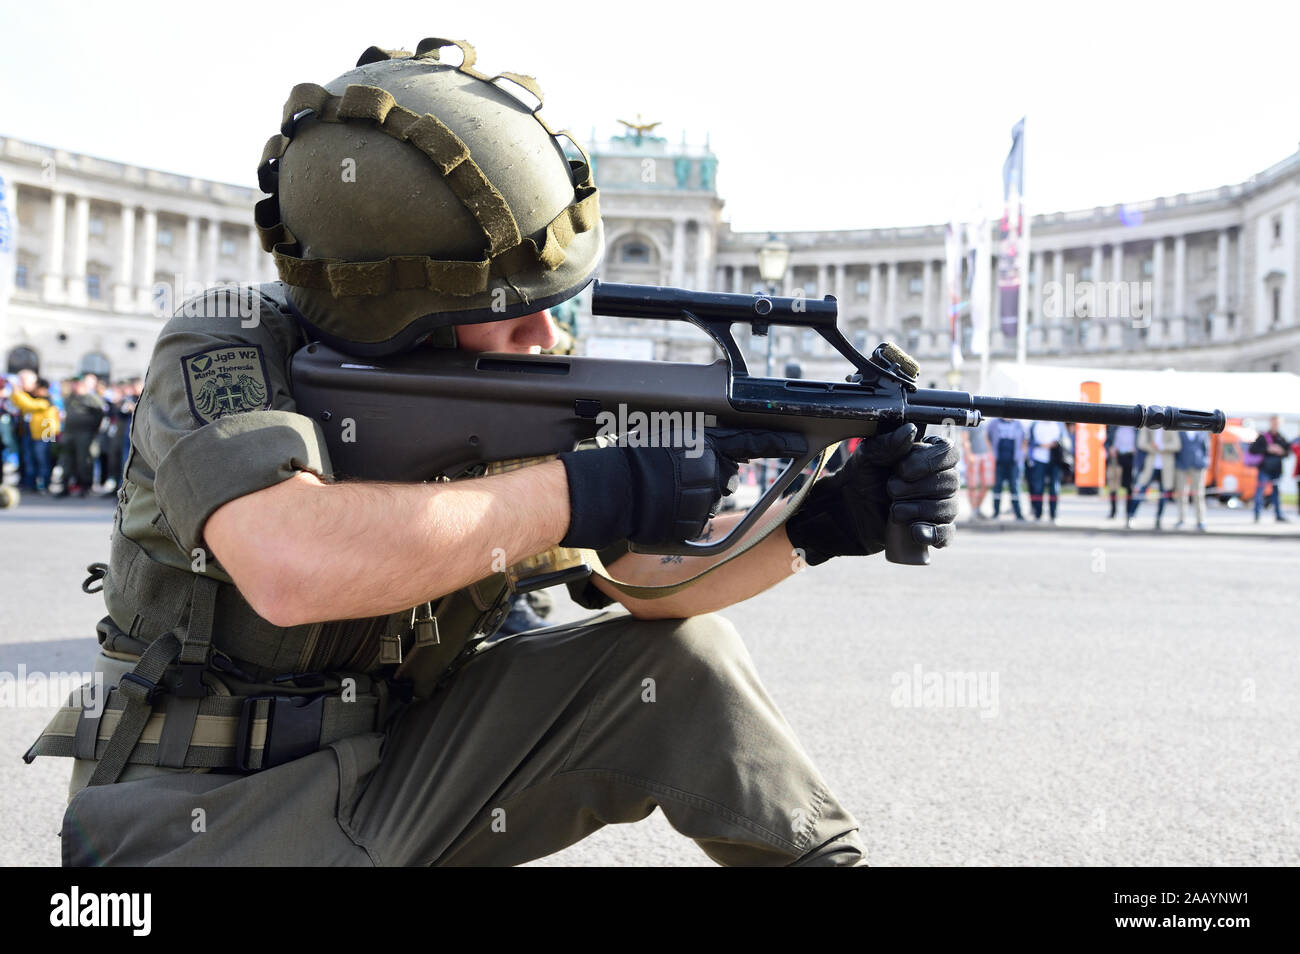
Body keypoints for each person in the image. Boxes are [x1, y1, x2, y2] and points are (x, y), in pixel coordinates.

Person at [27, 37, 959, 867]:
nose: (548, 336)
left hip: (393, 775)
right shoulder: (227, 340)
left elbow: (642, 583)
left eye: (552, 305)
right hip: (197, 821)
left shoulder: (511, 405)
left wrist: (821, 522)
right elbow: (288, 560)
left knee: (683, 662)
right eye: (512, 313)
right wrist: (578, 489)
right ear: (407, 317)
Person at [8, 375, 61, 493]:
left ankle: (44, 484)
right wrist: (15, 392)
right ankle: (31, 484)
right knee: (31, 460)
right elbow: (21, 403)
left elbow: (28, 404)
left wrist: (16, 390)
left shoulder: (46, 401)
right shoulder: (37, 399)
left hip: (45, 435)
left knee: (43, 461)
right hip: (34, 434)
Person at [1129, 427, 1180, 530]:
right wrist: (1153, 447)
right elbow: (1141, 443)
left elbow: (1177, 445)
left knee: (1163, 494)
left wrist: (1162, 447)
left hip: (1165, 466)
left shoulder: (1170, 426)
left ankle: (1158, 519)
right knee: (1142, 490)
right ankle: (1132, 516)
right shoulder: (1148, 426)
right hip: (1151, 464)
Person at [1025, 419, 1071, 523]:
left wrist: (1056, 444)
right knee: (1038, 487)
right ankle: (1038, 513)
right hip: (1038, 459)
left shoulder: (1058, 424)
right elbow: (1029, 441)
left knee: (1054, 488)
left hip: (1055, 459)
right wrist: (1040, 445)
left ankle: (1053, 514)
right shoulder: (1035, 424)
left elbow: (1065, 439)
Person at [1249, 416, 1290, 523]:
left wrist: (1281, 451)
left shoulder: (1281, 438)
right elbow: (1252, 449)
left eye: (1277, 423)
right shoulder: (1263, 437)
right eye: (1274, 423)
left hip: (1276, 470)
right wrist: (1267, 449)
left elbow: (1287, 453)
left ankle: (1278, 514)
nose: (1275, 425)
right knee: (1260, 492)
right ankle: (1257, 514)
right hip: (1264, 469)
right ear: (1270, 423)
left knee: (1276, 493)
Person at [986, 416, 1026, 521]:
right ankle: (996, 512)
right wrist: (991, 451)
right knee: (997, 487)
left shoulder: (1018, 423)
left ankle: (1018, 513)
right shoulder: (994, 423)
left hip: (1014, 461)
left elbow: (1025, 439)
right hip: (999, 461)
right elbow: (987, 436)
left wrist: (1021, 454)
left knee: (1015, 487)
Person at [1174, 429, 1210, 532]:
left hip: (1197, 465)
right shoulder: (1179, 430)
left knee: (1198, 494)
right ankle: (1181, 519)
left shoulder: (1202, 431)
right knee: (1181, 494)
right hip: (1182, 465)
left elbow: (1206, 448)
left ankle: (1200, 520)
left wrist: (1205, 462)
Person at [960, 421, 993, 519]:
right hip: (974, 456)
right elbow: (965, 440)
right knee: (972, 485)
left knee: (986, 484)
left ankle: (978, 509)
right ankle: (974, 511)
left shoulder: (984, 421)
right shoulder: (968, 421)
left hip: (985, 455)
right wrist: (969, 455)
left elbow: (986, 437)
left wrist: (991, 452)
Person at [1104, 424, 1137, 520]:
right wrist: (1110, 449)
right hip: (1116, 457)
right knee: (1113, 486)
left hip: (1130, 457)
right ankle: (1113, 511)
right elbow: (1106, 442)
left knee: (1129, 487)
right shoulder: (1114, 427)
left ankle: (1128, 513)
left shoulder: (1136, 428)